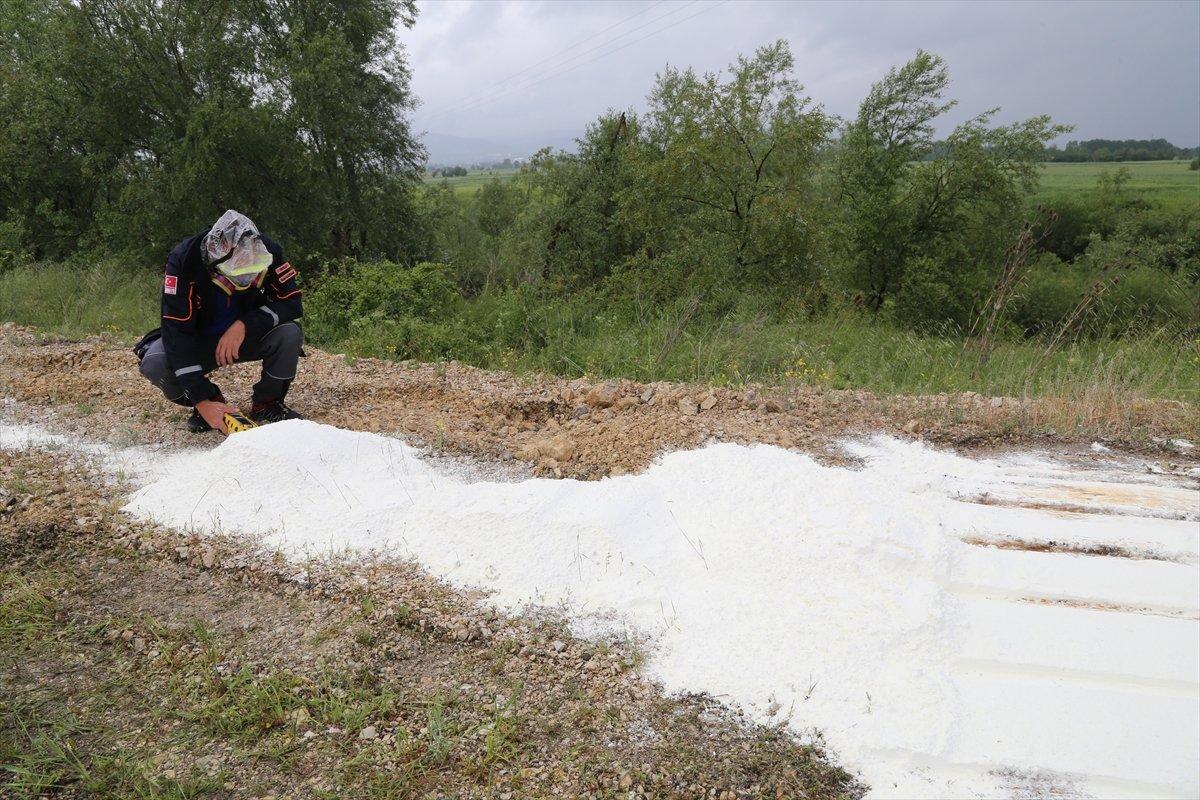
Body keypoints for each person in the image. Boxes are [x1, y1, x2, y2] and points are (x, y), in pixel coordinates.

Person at [135, 210, 304, 434]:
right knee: (155, 362)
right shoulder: (184, 260)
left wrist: (244, 324)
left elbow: (292, 303)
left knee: (289, 333)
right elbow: (176, 332)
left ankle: (267, 403)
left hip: (246, 336)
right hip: (199, 339)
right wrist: (202, 401)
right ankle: (211, 401)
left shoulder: (267, 251)